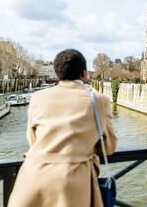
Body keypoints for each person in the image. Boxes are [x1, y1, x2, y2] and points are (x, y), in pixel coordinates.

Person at [8, 49, 117, 207]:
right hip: (72, 183)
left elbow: (32, 140)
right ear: (85, 74)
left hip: (32, 178)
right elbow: (109, 147)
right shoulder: (98, 101)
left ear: (57, 74)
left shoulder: (37, 97)